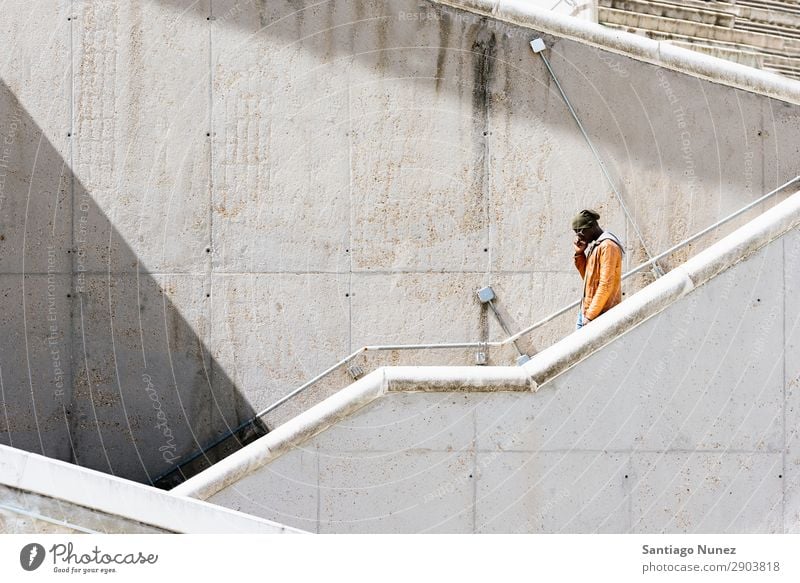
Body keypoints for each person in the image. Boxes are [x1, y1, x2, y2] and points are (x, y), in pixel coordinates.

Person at [571, 209, 624, 330]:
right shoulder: (596, 246)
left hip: (599, 314)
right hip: (587, 311)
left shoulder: (608, 246)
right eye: (576, 233)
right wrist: (579, 254)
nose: (578, 236)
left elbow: (606, 284)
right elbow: (588, 280)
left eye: (580, 231)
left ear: (592, 226)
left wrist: (590, 316)